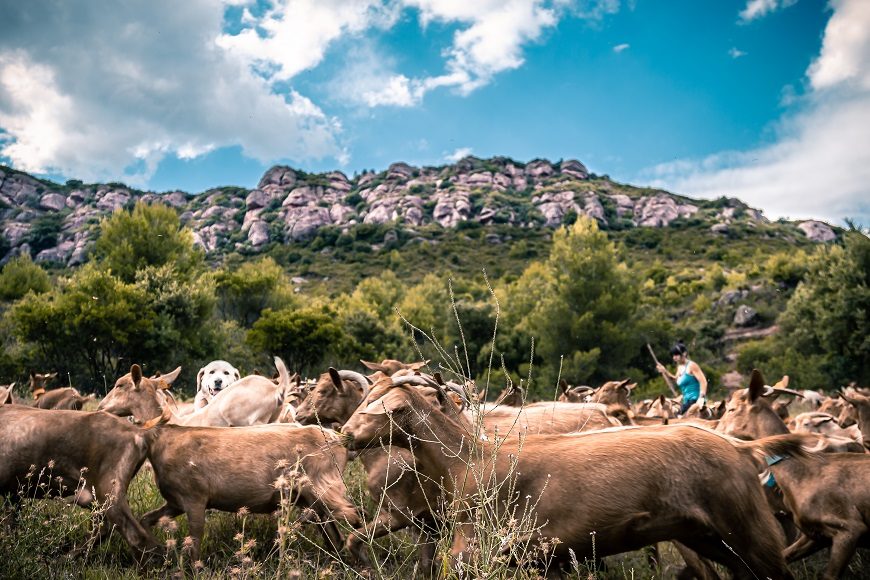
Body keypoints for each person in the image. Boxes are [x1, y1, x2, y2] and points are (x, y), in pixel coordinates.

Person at [656, 341, 708, 416]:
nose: (674, 357)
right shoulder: (679, 367)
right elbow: (676, 380)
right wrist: (665, 371)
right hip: (686, 401)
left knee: (677, 417)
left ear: (684, 354)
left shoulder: (692, 365)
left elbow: (703, 381)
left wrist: (701, 398)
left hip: (695, 400)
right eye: (673, 355)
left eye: (676, 355)